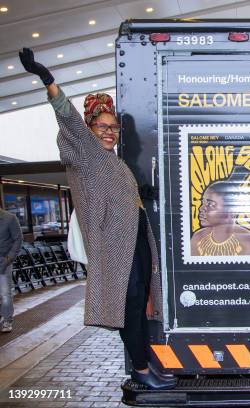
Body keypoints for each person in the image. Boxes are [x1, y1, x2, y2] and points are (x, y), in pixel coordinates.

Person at [19, 48, 176, 390]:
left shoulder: (114, 161)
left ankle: (144, 363)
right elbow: (68, 120)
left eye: (114, 128)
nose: (109, 132)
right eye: (102, 126)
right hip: (114, 247)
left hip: (135, 240)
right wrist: (48, 80)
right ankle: (141, 369)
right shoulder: (87, 153)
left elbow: (122, 194)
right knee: (130, 305)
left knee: (139, 305)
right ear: (89, 128)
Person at [190, 180, 250, 256]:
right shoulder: (197, 238)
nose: (201, 209)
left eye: (210, 204)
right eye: (203, 203)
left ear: (231, 209)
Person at [0, 208, 23, 333]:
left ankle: (7, 320)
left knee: (4, 293)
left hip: (3, 261)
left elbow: (18, 239)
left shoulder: (10, 218)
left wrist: (9, 258)